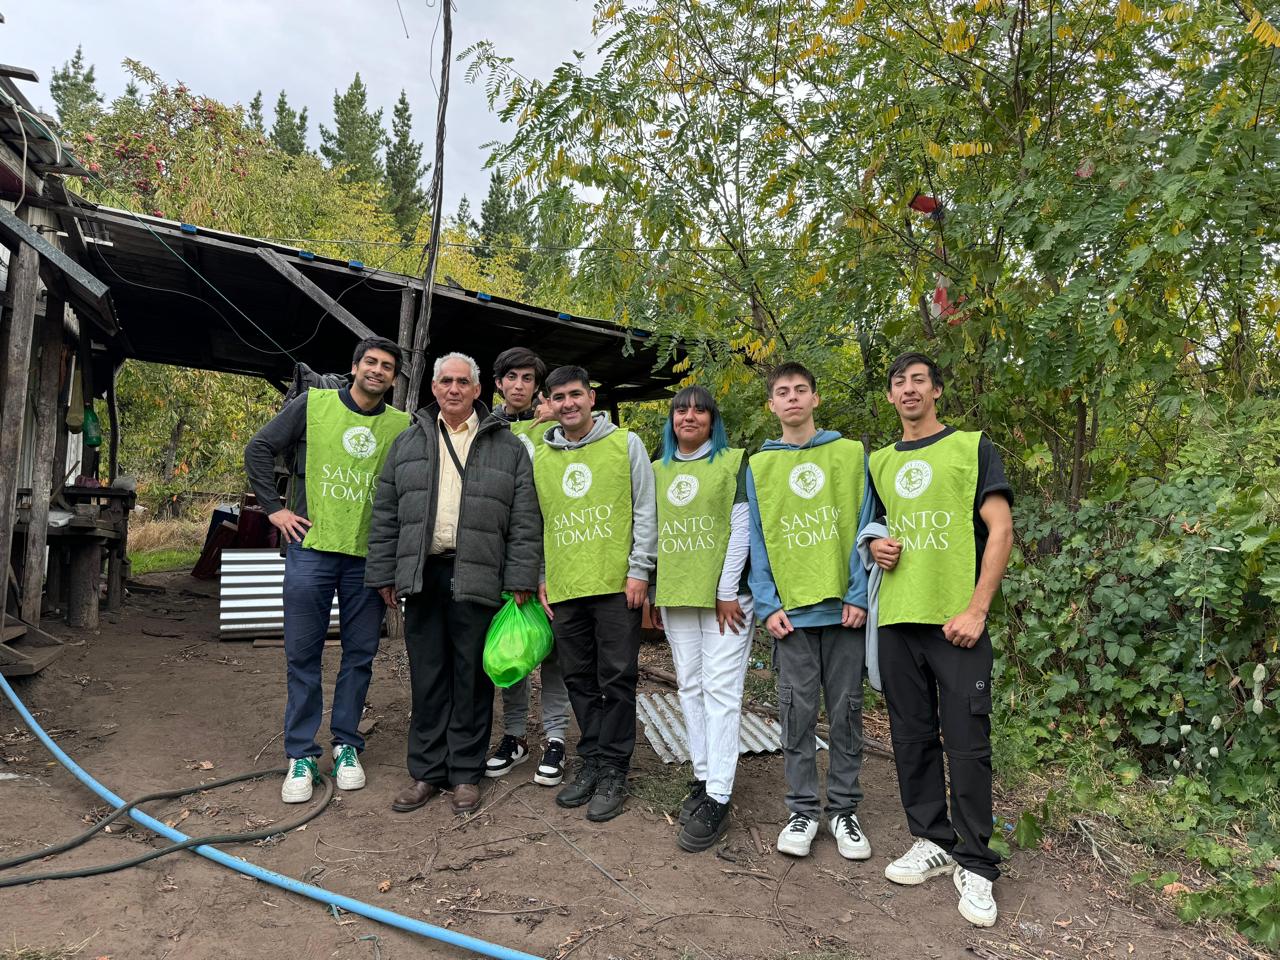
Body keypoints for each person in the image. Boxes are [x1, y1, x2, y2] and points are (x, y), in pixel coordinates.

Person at [868, 352, 1013, 928]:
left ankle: (975, 862)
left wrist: (978, 608)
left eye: (919, 380)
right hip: (897, 621)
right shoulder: (878, 461)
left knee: (968, 744)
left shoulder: (971, 447)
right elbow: (876, 528)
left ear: (937, 391)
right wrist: (874, 546)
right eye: (899, 382)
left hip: (957, 623)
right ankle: (929, 838)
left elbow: (1000, 528)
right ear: (890, 397)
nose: (908, 389)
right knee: (910, 738)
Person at [365, 352, 542, 815]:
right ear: (434, 389)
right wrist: (385, 571)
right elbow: (385, 513)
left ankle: (465, 773)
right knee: (428, 677)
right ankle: (426, 772)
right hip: (425, 573)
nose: (454, 389)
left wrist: (521, 575)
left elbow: (525, 520)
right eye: (446, 381)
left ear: (479, 390)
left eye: (463, 381)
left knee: (472, 678)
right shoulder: (407, 443)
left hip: (481, 573)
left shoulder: (508, 447)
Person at [244, 337, 409, 803]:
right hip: (311, 549)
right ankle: (300, 753)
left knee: (360, 657)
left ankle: (346, 746)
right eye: (370, 363)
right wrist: (274, 509)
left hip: (367, 559)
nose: (377, 371)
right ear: (355, 366)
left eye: (387, 367)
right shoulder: (312, 405)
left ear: (394, 379)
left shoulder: (400, 425)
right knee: (303, 655)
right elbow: (259, 448)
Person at [746, 361, 873, 860]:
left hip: (843, 611)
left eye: (801, 390)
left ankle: (844, 810)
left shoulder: (848, 454)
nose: (793, 398)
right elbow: (757, 538)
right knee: (796, 715)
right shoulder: (759, 466)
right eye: (783, 392)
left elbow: (866, 522)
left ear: (816, 399)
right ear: (771, 405)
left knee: (846, 713)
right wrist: (766, 603)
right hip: (791, 617)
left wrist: (859, 594)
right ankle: (802, 809)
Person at [533, 365, 657, 822]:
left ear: (591, 397)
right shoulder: (539, 457)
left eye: (575, 395)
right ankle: (591, 758)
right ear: (549, 403)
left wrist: (640, 569)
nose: (568, 404)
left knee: (617, 679)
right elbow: (538, 520)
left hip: (616, 585)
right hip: (566, 585)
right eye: (559, 397)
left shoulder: (625, 444)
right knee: (578, 679)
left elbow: (645, 508)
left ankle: (614, 770)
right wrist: (543, 574)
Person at [648, 386, 753, 852]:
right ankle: (704, 773)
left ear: (713, 420)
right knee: (689, 684)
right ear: (671, 420)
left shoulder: (732, 463)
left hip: (725, 599)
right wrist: (653, 585)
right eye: (680, 410)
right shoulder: (657, 470)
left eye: (699, 410)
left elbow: (742, 526)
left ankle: (720, 794)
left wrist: (727, 589)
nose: (688, 417)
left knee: (722, 690)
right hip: (677, 595)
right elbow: (650, 531)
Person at [484, 347, 571, 788]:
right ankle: (514, 735)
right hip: (500, 557)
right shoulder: (486, 428)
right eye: (511, 377)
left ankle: (556, 737)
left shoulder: (554, 430)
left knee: (554, 649)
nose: (519, 385)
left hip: (552, 555)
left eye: (527, 379)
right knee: (513, 647)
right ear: (498, 382)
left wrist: (555, 415)